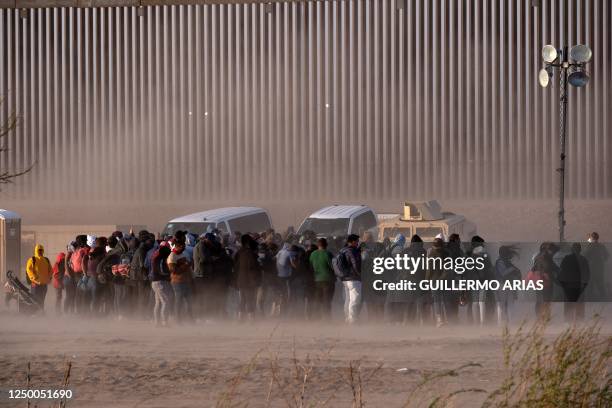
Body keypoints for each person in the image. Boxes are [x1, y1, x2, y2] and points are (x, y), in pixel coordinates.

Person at [559, 243, 590, 322]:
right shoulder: (583, 259)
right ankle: (579, 320)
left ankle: (568, 319)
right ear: (580, 250)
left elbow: (562, 271)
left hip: (568, 285)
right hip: (579, 285)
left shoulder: (566, 258)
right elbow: (587, 273)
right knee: (579, 303)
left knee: (568, 303)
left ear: (572, 250)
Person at [234, 234, 262, 321]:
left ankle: (240, 319)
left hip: (240, 279)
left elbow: (235, 266)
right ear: (247, 242)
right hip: (249, 280)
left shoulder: (239, 252)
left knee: (242, 300)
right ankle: (251, 319)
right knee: (250, 299)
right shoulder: (250, 253)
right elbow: (254, 266)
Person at [360, 231, 386, 322]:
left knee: (370, 300)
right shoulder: (380, 246)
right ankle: (379, 318)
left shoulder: (362, 248)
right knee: (377, 300)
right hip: (378, 277)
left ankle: (372, 318)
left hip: (368, 278)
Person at [167, 241, 194, 324]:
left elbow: (187, 268)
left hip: (185, 281)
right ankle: (178, 320)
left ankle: (190, 319)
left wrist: (191, 276)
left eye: (184, 247)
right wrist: (186, 265)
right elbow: (174, 271)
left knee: (189, 301)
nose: (184, 248)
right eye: (182, 247)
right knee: (179, 301)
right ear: (177, 247)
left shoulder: (182, 254)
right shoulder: (172, 256)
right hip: (177, 282)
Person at [338, 234, 362, 324]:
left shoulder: (343, 250)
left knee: (347, 299)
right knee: (355, 299)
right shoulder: (352, 251)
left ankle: (347, 318)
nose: (358, 243)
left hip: (345, 279)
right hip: (353, 278)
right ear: (352, 241)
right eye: (357, 241)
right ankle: (352, 320)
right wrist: (359, 273)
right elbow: (355, 263)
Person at [309, 238, 335, 320]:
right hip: (328, 279)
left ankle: (316, 318)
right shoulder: (328, 254)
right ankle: (327, 318)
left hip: (317, 280)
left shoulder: (313, 254)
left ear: (318, 245)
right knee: (327, 300)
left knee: (317, 300)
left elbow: (311, 266)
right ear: (326, 245)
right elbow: (333, 266)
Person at [531, 242, 559, 320]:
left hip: (540, 282)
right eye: (553, 252)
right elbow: (551, 270)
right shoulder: (544, 258)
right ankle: (544, 318)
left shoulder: (542, 257)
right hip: (544, 283)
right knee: (545, 300)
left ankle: (542, 318)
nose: (553, 254)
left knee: (541, 300)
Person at [495, 246, 521, 326]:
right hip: (502, 284)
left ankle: (509, 321)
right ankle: (502, 322)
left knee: (509, 304)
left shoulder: (505, 261)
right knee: (503, 305)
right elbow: (503, 274)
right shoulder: (500, 262)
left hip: (507, 285)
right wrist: (513, 270)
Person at [386, 234, 409, 324]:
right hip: (397, 278)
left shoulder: (389, 247)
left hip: (389, 277)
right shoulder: (399, 249)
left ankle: (389, 319)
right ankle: (397, 319)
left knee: (390, 299)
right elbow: (401, 265)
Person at [427, 238, 448, 328]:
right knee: (443, 300)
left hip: (434, 280)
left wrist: (426, 280)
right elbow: (447, 268)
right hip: (444, 280)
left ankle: (439, 320)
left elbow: (429, 270)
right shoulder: (446, 253)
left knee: (436, 300)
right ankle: (446, 319)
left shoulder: (431, 254)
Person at [150, 242, 172, 327]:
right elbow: (161, 271)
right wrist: (168, 275)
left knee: (158, 303)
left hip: (154, 281)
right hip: (160, 281)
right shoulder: (161, 257)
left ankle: (157, 322)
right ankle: (164, 322)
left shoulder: (155, 254)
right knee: (165, 302)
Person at [583, 232, 609, 301]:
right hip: (600, 267)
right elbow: (607, 255)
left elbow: (585, 255)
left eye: (590, 237)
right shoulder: (602, 246)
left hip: (591, 267)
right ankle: (603, 297)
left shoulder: (590, 246)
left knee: (590, 283)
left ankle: (590, 298)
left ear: (592, 238)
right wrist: (602, 261)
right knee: (600, 282)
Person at [26, 244, 53, 310]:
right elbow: (28, 269)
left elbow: (51, 270)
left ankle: (41, 312)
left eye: (41, 250)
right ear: (36, 251)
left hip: (44, 284)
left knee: (42, 300)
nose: (40, 252)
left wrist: (49, 278)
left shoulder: (46, 260)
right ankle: (35, 312)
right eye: (39, 250)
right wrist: (33, 277)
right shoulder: (32, 259)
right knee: (35, 300)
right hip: (35, 284)